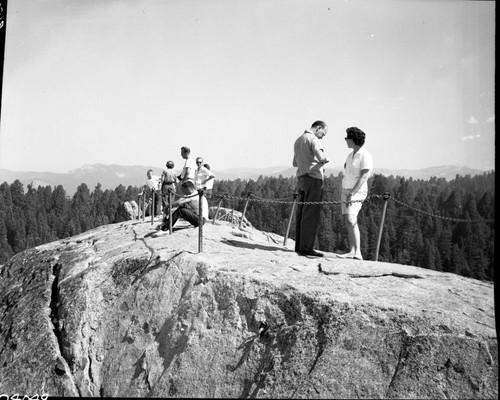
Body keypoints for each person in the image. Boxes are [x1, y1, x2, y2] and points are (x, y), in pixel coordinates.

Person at [292, 120, 329, 257]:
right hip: (314, 179)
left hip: (301, 179)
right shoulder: (313, 140)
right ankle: (306, 248)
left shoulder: (298, 140)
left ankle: (299, 246)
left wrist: (305, 163)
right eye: (323, 133)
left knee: (301, 213)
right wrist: (324, 159)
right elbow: (321, 157)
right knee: (311, 214)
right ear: (318, 128)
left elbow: (294, 162)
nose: (322, 137)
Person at [337, 127, 373, 260]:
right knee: (348, 219)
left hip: (357, 192)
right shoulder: (350, 155)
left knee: (351, 218)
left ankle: (358, 252)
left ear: (353, 140)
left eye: (347, 138)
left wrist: (352, 193)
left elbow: (364, 177)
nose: (346, 140)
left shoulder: (365, 155)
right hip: (346, 189)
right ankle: (352, 250)